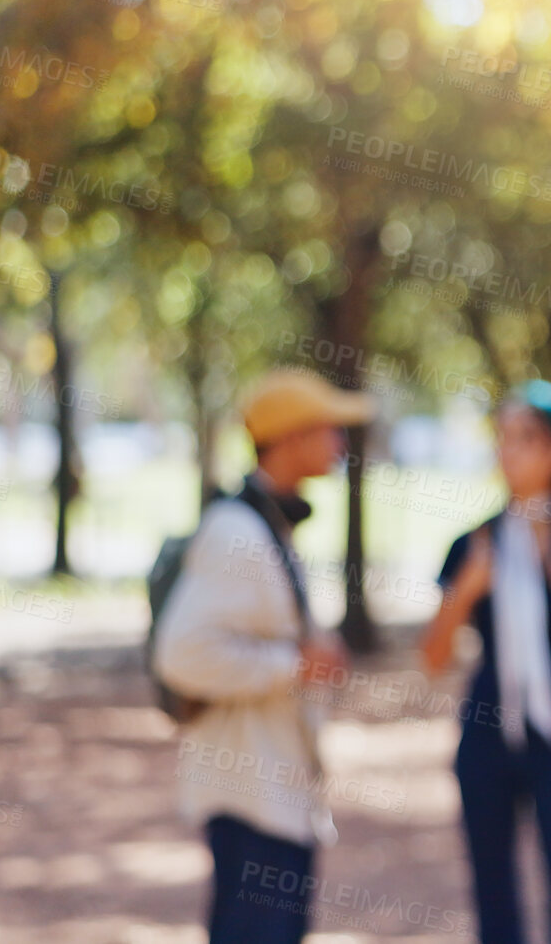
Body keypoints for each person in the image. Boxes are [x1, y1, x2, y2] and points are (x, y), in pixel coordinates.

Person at [154, 367, 374, 944]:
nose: (340, 445)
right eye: (329, 430)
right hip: (250, 795)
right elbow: (181, 654)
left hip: (275, 791)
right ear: (292, 438)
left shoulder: (267, 523)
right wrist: (295, 666)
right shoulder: (238, 532)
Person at [420, 379, 551, 944]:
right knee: (494, 903)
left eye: (526, 438)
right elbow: (432, 659)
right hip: (484, 737)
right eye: (503, 436)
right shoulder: (475, 543)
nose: (509, 450)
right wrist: (464, 591)